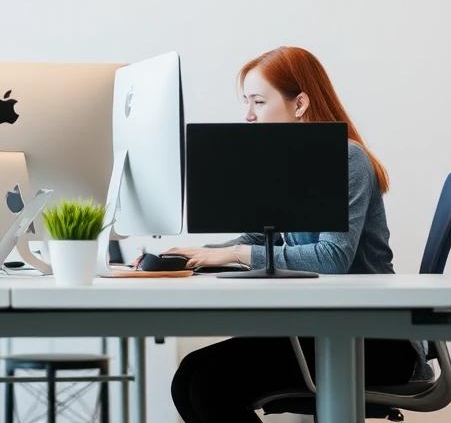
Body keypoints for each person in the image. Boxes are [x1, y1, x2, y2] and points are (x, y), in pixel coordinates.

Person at [167, 46, 430, 423]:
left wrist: (235, 255)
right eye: (247, 102)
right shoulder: (286, 164)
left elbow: (333, 258)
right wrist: (192, 256)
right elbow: (258, 239)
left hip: (375, 340)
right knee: (189, 376)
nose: (248, 115)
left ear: (300, 103)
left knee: (209, 384)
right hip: (332, 331)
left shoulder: (346, 157)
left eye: (258, 102)